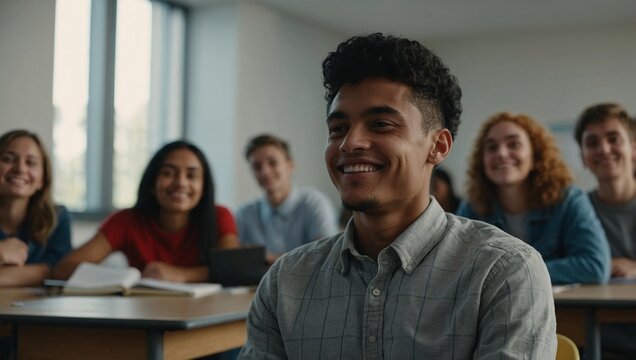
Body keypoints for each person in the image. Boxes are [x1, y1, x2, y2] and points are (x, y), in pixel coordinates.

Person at [238, 33, 556, 359]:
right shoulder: (286, 281)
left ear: (438, 146)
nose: (350, 143)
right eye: (338, 129)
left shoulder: (503, 271)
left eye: (380, 124)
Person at [457, 112, 611, 285]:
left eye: (513, 144)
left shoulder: (568, 199)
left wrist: (514, 271)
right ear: (482, 161)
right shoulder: (472, 207)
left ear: (535, 155)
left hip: (561, 309)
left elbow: (595, 266)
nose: (501, 153)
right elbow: (457, 269)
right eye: (492, 147)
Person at [53, 140, 238, 282]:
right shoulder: (127, 220)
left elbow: (233, 268)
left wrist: (183, 275)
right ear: (152, 183)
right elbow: (63, 269)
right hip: (145, 318)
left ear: (204, 187)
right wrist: (122, 278)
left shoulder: (219, 216)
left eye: (191, 175)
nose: (181, 183)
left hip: (208, 320)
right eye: (168, 173)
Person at [574, 103, 636, 360]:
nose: (604, 149)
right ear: (583, 158)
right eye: (592, 143)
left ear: (633, 148)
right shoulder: (574, 210)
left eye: (613, 139)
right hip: (592, 340)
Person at [235, 134, 338, 264]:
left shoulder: (315, 204)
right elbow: (236, 262)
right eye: (257, 166)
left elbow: (326, 257)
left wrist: (266, 258)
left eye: (272, 163)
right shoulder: (244, 214)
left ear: (290, 165)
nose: (265, 172)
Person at [0, 129, 71, 287]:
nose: (20, 169)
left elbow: (55, 271)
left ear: (42, 180)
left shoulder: (57, 217)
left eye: (30, 162)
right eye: (7, 159)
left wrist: (43, 271)